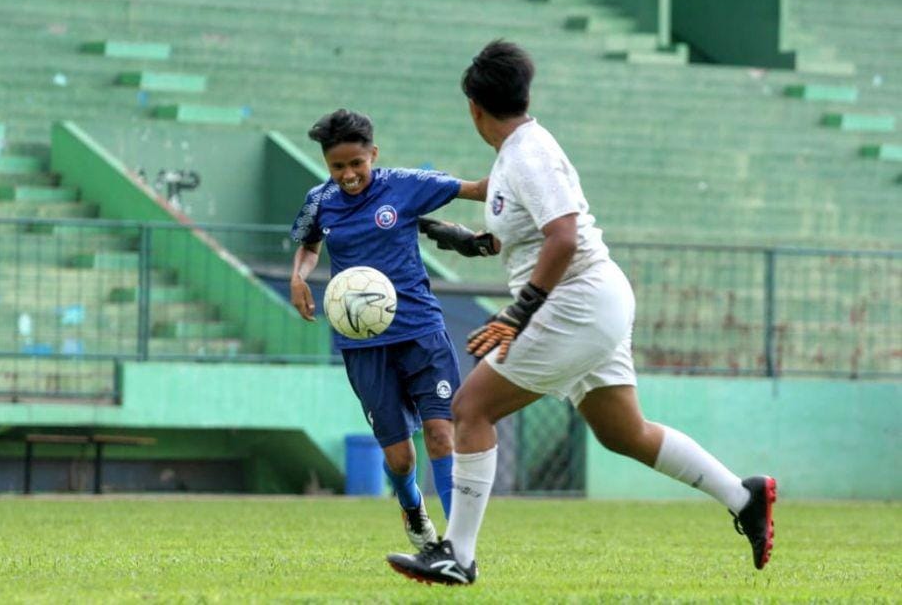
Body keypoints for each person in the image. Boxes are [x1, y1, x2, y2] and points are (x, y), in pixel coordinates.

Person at [387, 40, 777, 585]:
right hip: (591, 303)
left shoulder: (529, 154)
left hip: (578, 303)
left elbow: (564, 238)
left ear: (473, 107)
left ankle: (458, 553)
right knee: (624, 432)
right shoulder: (514, 158)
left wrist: (518, 314)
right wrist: (466, 241)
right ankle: (744, 495)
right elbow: (524, 236)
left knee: (471, 409)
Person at [289, 108, 494, 550]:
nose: (348, 175)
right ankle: (411, 505)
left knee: (442, 434)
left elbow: (474, 189)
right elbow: (309, 245)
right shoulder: (318, 201)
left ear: (373, 155)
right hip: (362, 342)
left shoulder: (403, 185)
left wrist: (520, 192)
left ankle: (458, 546)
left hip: (421, 329)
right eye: (337, 167)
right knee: (400, 458)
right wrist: (298, 276)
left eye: (356, 164)